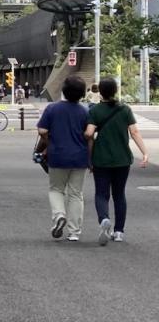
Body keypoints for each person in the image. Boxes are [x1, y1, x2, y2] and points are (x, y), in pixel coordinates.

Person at [86, 77, 149, 245]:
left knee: (101, 193)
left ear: (100, 92)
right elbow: (135, 132)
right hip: (123, 159)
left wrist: (89, 158)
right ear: (115, 91)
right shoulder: (125, 109)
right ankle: (119, 231)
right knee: (119, 194)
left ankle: (104, 219)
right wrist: (144, 153)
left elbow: (89, 133)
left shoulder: (95, 110)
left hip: (101, 159)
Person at [36, 75, 89, 241]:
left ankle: (59, 215)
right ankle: (74, 232)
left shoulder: (52, 109)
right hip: (80, 157)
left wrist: (49, 143)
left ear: (64, 91)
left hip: (57, 155)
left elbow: (42, 130)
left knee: (56, 189)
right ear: (82, 94)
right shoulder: (85, 111)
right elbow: (90, 136)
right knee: (76, 194)